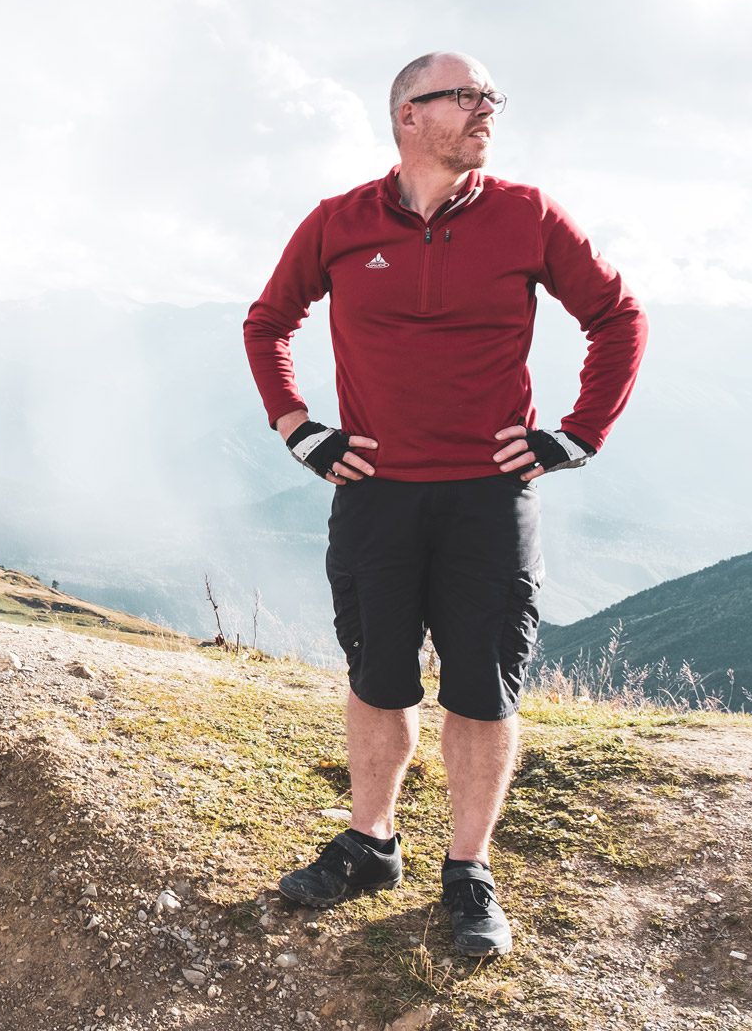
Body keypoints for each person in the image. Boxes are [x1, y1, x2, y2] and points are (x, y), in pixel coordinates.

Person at [241, 51, 648, 957]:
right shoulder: (339, 222)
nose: (486, 111)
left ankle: (469, 873)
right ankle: (372, 844)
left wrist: (578, 433)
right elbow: (268, 322)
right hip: (376, 495)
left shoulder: (527, 215)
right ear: (408, 115)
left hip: (488, 499)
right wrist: (299, 427)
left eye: (491, 97)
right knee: (376, 676)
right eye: (465, 97)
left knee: (483, 687)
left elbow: (618, 318)